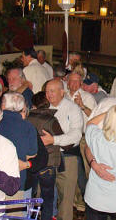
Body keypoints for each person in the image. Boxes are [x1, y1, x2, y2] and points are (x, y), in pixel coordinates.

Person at [42, 79, 83, 220]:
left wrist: (54, 140)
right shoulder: (43, 106)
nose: (49, 94)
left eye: (52, 91)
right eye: (47, 91)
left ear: (62, 92)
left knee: (66, 200)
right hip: (46, 158)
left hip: (67, 158)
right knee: (46, 196)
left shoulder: (72, 108)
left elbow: (76, 135)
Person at [0, 92, 38, 212]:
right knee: (16, 214)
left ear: (3, 106)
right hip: (17, 180)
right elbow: (33, 153)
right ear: (22, 107)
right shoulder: (28, 127)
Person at [26, 91, 62, 220]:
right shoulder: (51, 120)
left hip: (32, 162)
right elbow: (61, 138)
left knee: (32, 195)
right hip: (48, 163)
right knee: (47, 199)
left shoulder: (27, 117)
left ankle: (31, 217)